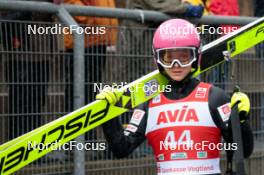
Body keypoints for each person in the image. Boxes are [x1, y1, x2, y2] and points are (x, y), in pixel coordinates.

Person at [96, 19, 254, 175]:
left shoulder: (214, 97)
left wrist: (241, 119)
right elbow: (121, 149)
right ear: (157, 59)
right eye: (168, 58)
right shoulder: (149, 104)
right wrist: (109, 114)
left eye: (184, 56)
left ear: (196, 55)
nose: (176, 65)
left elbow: (243, 151)